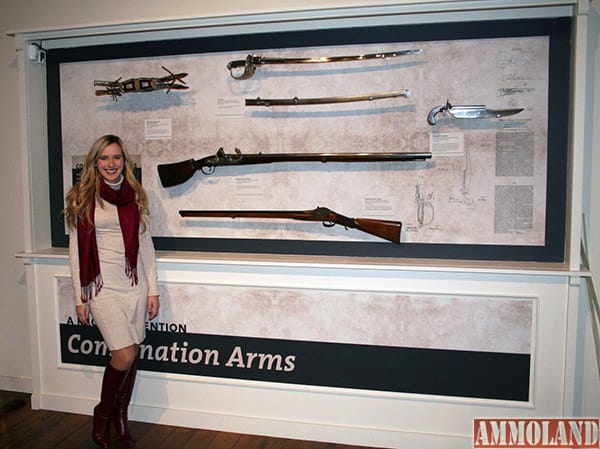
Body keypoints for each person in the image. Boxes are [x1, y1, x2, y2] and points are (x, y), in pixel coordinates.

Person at [64, 134, 159, 449]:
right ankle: (103, 413)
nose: (110, 164)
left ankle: (121, 415)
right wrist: (80, 297)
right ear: (94, 162)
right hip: (101, 287)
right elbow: (76, 253)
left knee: (133, 352)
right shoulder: (82, 197)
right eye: (103, 158)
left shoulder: (136, 196)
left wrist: (153, 291)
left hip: (134, 285)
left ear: (124, 161)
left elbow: (146, 246)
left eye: (116, 157)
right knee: (124, 353)